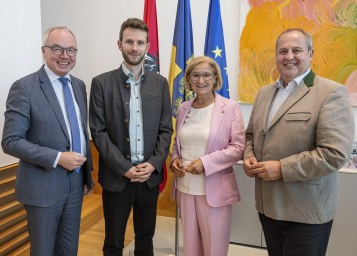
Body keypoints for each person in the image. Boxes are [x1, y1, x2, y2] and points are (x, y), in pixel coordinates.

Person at [243, 28, 354, 256]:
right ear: (275, 56)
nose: (289, 56)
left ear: (311, 54)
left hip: (306, 211)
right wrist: (248, 156)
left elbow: (334, 153)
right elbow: (251, 135)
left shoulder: (330, 92)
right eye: (282, 51)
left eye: (296, 50)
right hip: (268, 206)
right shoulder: (264, 93)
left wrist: (283, 168)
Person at [1, 26, 93, 255]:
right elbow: (11, 140)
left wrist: (85, 176)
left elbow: (78, 130)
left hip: (75, 184)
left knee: (69, 249)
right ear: (44, 51)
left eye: (71, 50)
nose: (65, 56)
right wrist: (58, 158)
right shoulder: (24, 87)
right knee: (43, 251)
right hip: (42, 186)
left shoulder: (78, 85)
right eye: (57, 49)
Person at [89, 18, 172, 256]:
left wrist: (154, 164)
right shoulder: (101, 83)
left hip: (148, 178)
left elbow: (166, 129)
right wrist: (124, 167)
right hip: (117, 178)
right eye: (129, 42)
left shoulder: (160, 83)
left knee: (145, 240)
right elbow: (99, 131)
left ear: (147, 47)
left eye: (140, 42)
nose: (134, 47)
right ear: (119, 44)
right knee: (113, 242)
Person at [170, 56, 245, 256]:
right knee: (191, 249)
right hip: (185, 188)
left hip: (214, 190)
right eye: (195, 75)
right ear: (188, 79)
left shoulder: (229, 107)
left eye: (206, 75)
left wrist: (205, 162)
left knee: (214, 249)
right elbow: (179, 142)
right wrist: (175, 159)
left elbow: (238, 147)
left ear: (215, 79)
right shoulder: (184, 107)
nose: (201, 80)